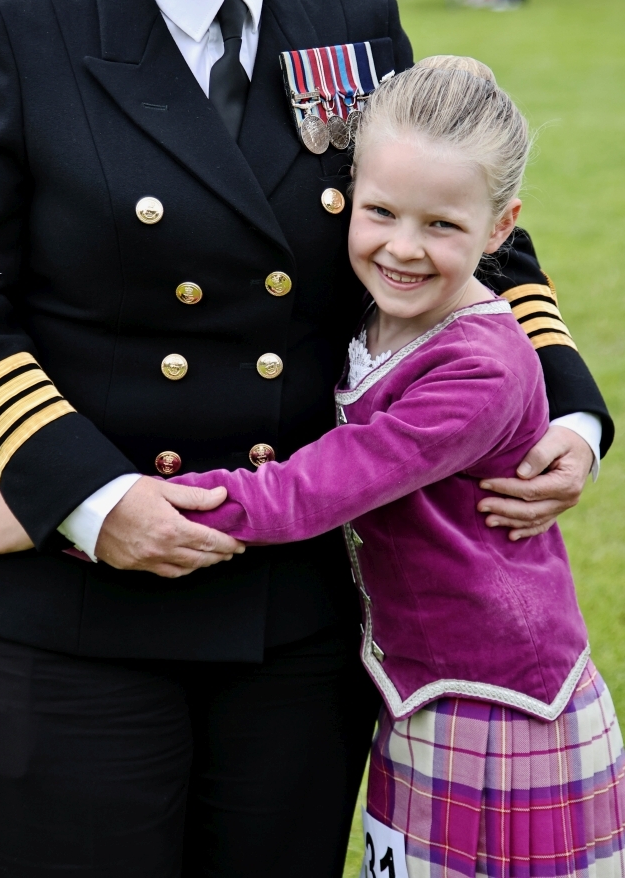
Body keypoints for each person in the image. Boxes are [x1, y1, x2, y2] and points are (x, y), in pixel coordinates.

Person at [0, 0, 611, 877]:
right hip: (67, 605)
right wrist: (86, 499)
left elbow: (474, 243)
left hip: (292, 610)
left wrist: (570, 414)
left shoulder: (356, 26)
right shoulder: (20, 30)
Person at [167, 56, 625, 876]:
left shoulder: (478, 367)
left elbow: (309, 491)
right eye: (381, 212)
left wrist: (86, 510)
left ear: (500, 229)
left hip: (496, 707)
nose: (403, 249)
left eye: (442, 226)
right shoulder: (382, 316)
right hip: (422, 690)